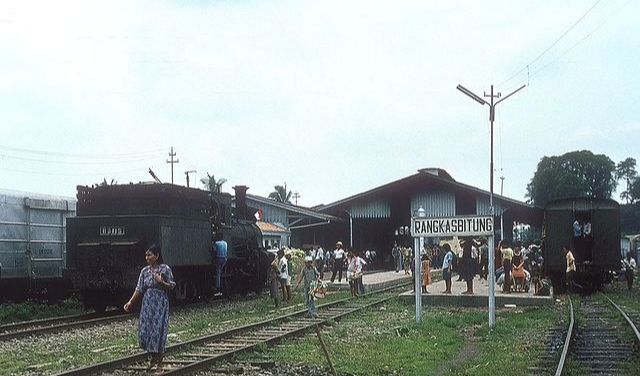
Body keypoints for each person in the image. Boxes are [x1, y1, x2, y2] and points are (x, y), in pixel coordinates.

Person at [124, 245, 176, 374]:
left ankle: (160, 363)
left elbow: (171, 286)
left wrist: (160, 281)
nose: (147, 257)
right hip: (147, 303)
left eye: (149, 255)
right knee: (146, 331)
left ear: (157, 256)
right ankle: (153, 357)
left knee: (158, 331)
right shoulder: (144, 271)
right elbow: (139, 288)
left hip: (160, 303)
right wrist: (130, 302)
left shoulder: (165, 269)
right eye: (146, 255)